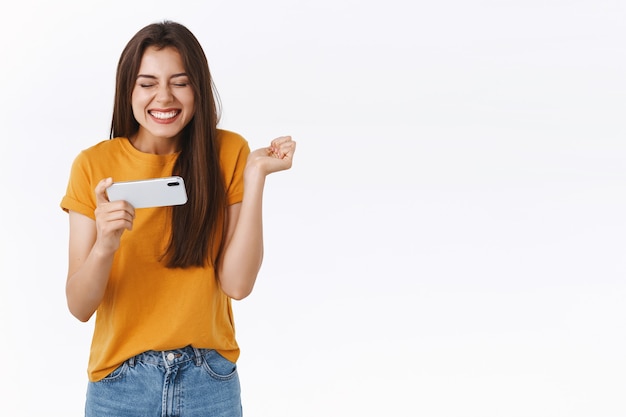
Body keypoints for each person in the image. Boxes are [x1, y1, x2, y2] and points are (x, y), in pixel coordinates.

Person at [60, 20, 296, 417]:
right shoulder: (93, 165)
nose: (164, 97)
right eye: (147, 83)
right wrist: (105, 245)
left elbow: (237, 285)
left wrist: (254, 178)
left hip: (208, 380)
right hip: (120, 385)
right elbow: (79, 306)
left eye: (180, 82)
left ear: (198, 88)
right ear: (128, 90)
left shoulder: (228, 152)